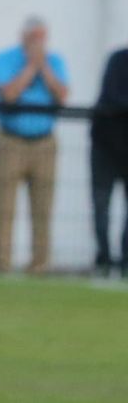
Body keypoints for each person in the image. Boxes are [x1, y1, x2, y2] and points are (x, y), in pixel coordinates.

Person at [0, 17, 67, 275]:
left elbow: (62, 95)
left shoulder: (55, 61)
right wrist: (32, 66)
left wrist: (44, 68)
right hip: (12, 138)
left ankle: (40, 264)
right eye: (34, 37)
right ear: (23, 37)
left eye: (42, 37)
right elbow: (9, 94)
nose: (38, 43)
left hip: (44, 140)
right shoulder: (6, 59)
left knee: (43, 206)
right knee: (3, 206)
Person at [92, 47, 128, 279]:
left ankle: (126, 260)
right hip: (105, 146)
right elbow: (113, 97)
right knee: (100, 204)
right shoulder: (117, 60)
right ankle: (104, 258)